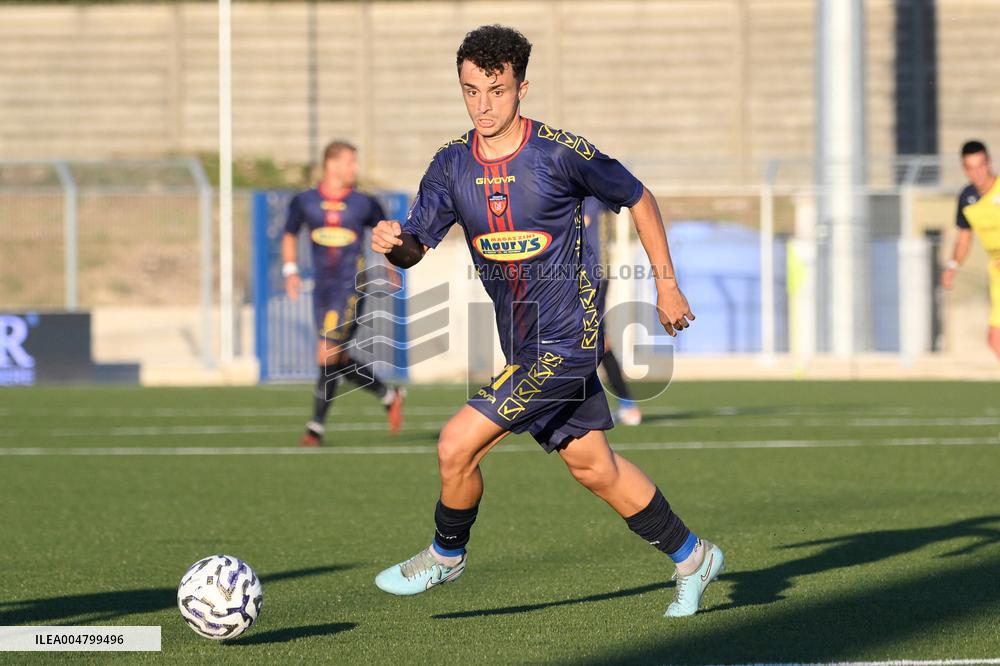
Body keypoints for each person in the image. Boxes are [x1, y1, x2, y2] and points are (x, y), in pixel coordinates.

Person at [369, 25, 723, 617]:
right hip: (523, 348)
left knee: (457, 445)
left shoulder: (560, 153)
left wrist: (665, 282)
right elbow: (414, 247)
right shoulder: (451, 165)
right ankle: (692, 556)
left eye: (496, 90)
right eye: (470, 90)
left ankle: (446, 554)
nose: (483, 105)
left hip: (568, 343)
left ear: (521, 87)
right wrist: (393, 243)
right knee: (595, 467)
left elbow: (638, 195)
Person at [283, 140, 405, 447]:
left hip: (350, 286)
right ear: (332, 164)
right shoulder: (305, 201)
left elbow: (385, 233)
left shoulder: (364, 203)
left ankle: (315, 428)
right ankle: (388, 394)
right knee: (333, 356)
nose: (355, 168)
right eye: (351, 162)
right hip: (321, 288)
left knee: (325, 352)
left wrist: (392, 265)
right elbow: (289, 233)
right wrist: (290, 270)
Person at [584, 197, 642, 425]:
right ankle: (625, 404)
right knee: (592, 340)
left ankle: (626, 404)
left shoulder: (591, 192)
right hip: (576, 277)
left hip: (593, 275)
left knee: (596, 341)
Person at [941, 140, 1000, 360]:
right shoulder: (967, 199)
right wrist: (952, 266)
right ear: (964, 169)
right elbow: (964, 238)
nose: (978, 173)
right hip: (997, 271)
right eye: (971, 167)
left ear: (989, 163)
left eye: (981, 165)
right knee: (995, 339)